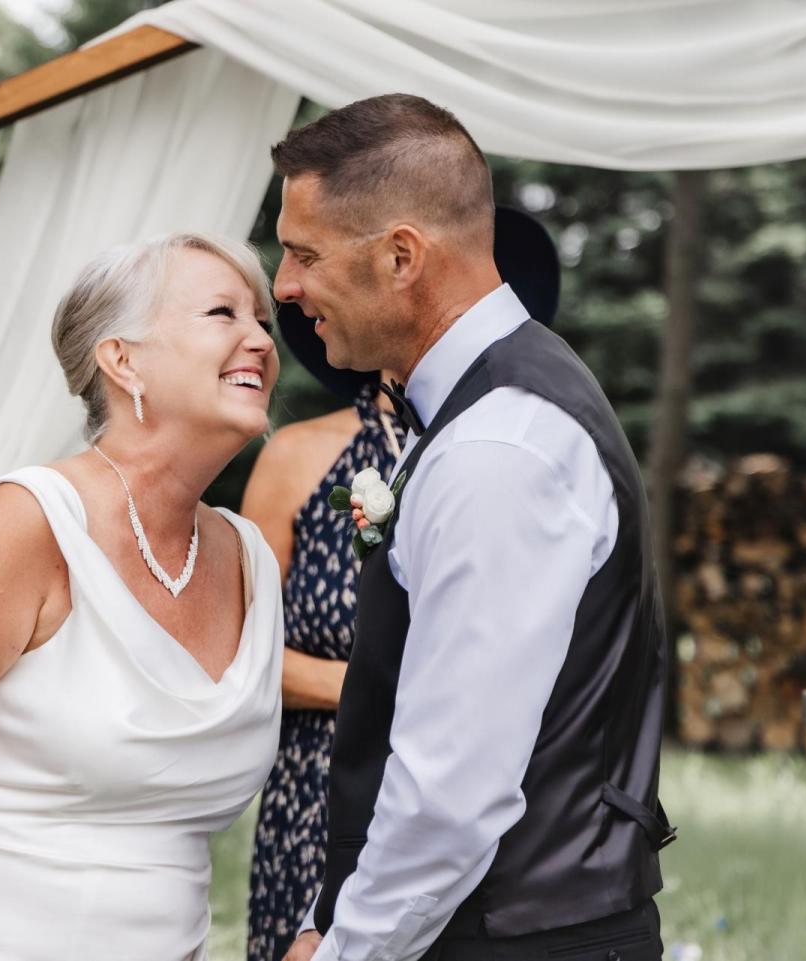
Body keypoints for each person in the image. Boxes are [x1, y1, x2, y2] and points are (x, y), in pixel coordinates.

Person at [271, 94, 673, 961]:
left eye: (303, 252)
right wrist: (326, 911)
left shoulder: (499, 444)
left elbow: (450, 790)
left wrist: (347, 950)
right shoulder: (486, 410)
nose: (284, 286)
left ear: (402, 256)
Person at [0, 232, 286, 961]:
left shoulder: (250, 560)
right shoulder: (31, 521)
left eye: (261, 321)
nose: (259, 341)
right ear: (122, 359)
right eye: (222, 313)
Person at [243, 206, 561, 961]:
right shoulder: (295, 456)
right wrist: (375, 686)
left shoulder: (506, 449)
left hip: (479, 802)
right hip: (315, 797)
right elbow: (244, 655)